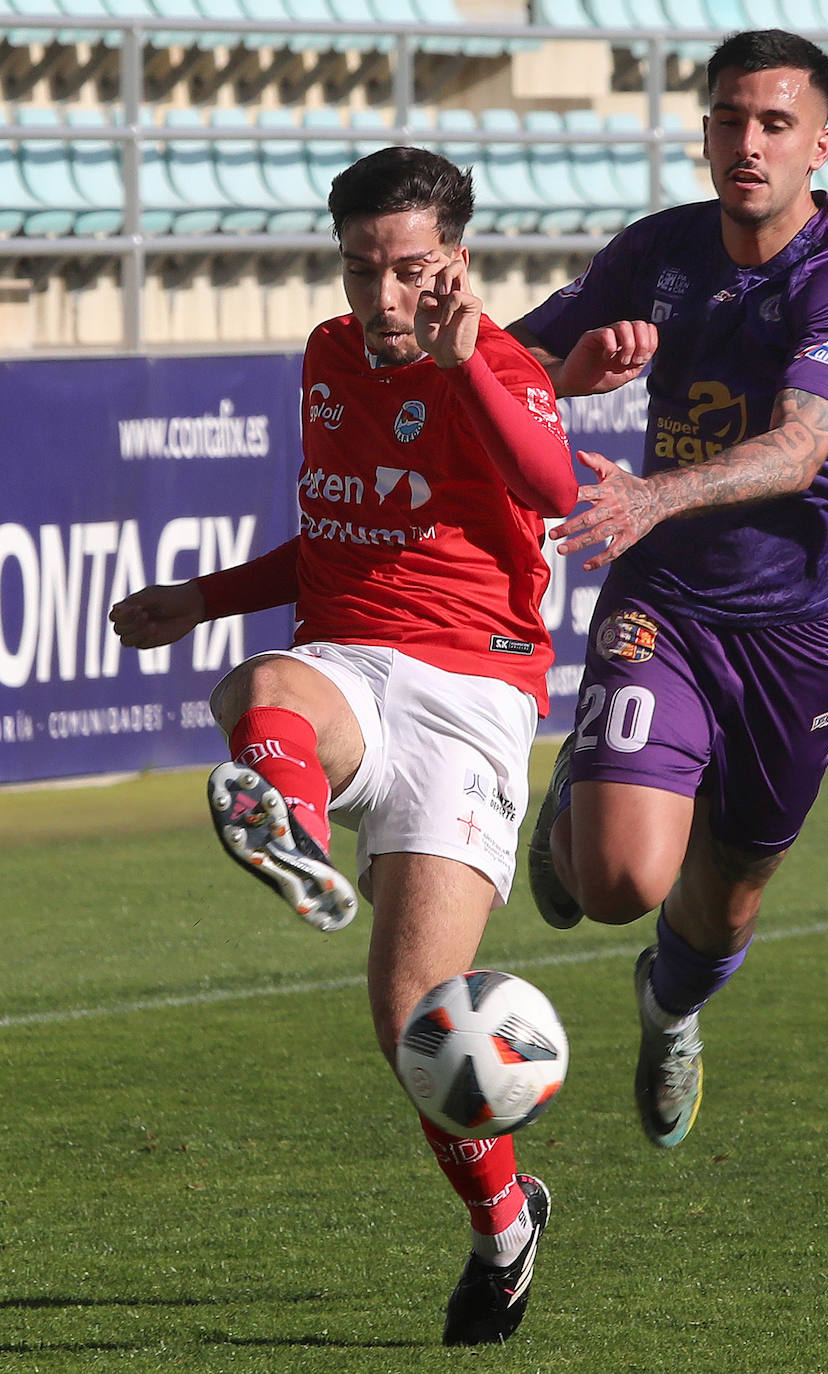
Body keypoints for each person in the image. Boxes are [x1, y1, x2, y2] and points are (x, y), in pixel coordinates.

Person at [110, 145, 577, 1347]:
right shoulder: (324, 355)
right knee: (262, 683)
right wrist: (200, 599)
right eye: (361, 268)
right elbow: (333, 536)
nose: (382, 299)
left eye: (409, 270)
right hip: (351, 663)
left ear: (454, 263)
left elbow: (552, 481)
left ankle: (502, 1225)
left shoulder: (501, 362)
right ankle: (296, 839)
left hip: (474, 691)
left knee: (417, 1026)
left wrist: (470, 365)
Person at [510, 29, 828, 1150]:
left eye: (774, 124)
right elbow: (510, 367)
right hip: (666, 601)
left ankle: (669, 1008)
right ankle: (582, 808)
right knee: (616, 880)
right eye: (729, 120)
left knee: (729, 892)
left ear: (818, 144)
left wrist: (650, 495)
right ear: (703, 134)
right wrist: (550, 366)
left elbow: (795, 452)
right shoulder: (654, 252)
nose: (749, 143)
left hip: (797, 619)